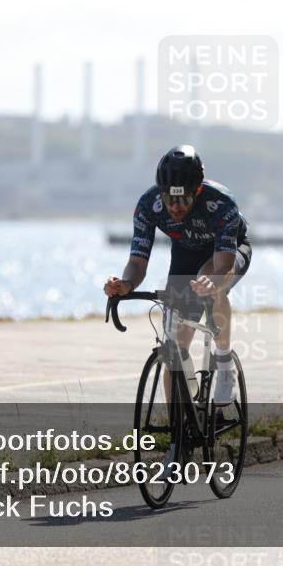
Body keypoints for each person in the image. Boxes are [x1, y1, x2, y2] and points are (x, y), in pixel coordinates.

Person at [103, 144, 252, 406]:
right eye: (170, 199)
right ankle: (178, 438)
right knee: (174, 347)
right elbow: (137, 263)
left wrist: (214, 283)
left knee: (211, 281)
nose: (175, 207)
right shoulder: (149, 206)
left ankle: (225, 362)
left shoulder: (220, 204)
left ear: (197, 191)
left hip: (227, 252)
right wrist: (125, 284)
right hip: (186, 253)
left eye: (183, 199)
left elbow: (223, 268)